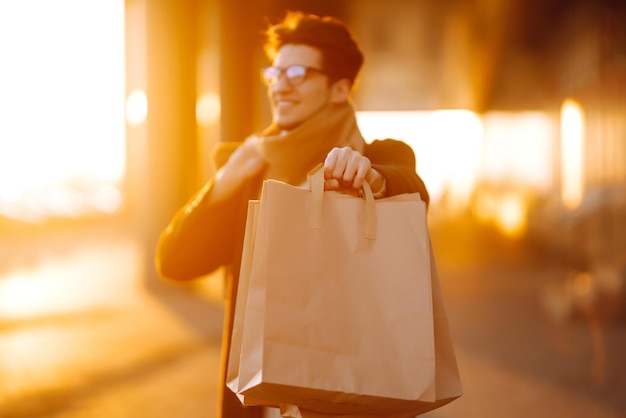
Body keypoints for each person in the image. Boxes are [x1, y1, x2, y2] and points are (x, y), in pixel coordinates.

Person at [155, 11, 430, 418]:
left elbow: (413, 192)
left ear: (339, 89)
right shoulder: (248, 168)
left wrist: (370, 179)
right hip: (260, 402)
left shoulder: (376, 158)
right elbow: (174, 261)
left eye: (297, 72)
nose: (280, 85)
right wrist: (225, 179)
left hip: (353, 394)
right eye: (275, 73)